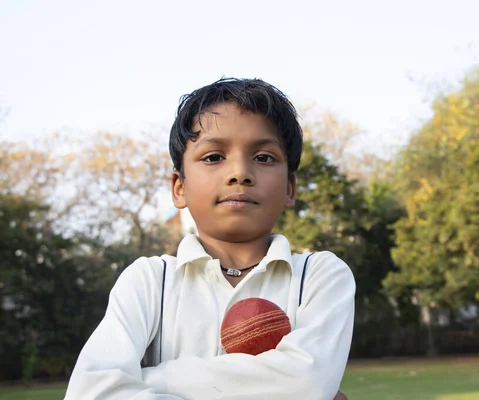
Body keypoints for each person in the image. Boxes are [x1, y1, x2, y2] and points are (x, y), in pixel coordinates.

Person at [64, 78, 355, 400]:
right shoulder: (148, 281)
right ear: (179, 187)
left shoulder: (320, 274)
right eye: (214, 157)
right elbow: (91, 392)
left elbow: (305, 383)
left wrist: (151, 379)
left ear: (289, 188)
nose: (240, 173)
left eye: (264, 157)